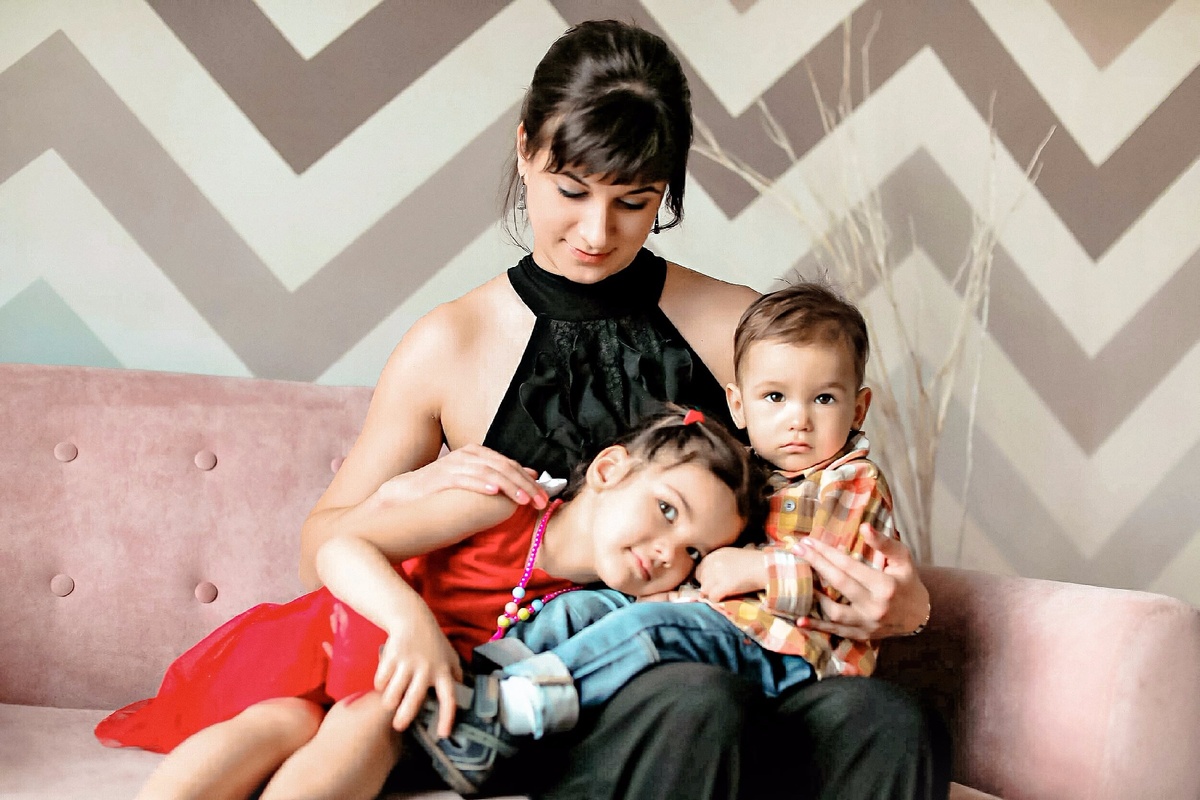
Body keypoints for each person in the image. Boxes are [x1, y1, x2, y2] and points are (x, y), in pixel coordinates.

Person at [299, 18, 945, 800]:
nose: (597, 232)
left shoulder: (735, 326)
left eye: (634, 202)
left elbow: (833, 494)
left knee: (891, 719)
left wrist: (907, 607)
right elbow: (319, 553)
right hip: (537, 698)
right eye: (571, 192)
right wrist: (403, 496)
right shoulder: (450, 344)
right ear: (525, 149)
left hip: (733, 653)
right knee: (694, 701)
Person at [94, 409, 760, 800]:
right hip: (350, 633)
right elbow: (343, 549)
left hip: (405, 698)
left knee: (341, 721)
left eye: (695, 551)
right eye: (666, 510)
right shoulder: (505, 501)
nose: (668, 552)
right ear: (610, 471)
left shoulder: (596, 611)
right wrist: (412, 624)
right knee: (289, 717)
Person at [417, 282, 910, 794]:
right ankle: (481, 691)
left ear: (858, 409)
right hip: (712, 621)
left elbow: (850, 587)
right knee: (579, 609)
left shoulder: (852, 484)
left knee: (646, 629)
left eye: (824, 399)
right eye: (775, 398)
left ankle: (514, 709)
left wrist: (760, 570)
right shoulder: (740, 477)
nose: (798, 421)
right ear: (739, 407)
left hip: (787, 650)